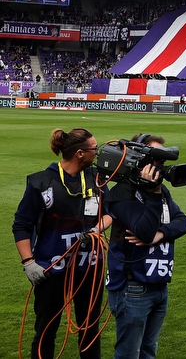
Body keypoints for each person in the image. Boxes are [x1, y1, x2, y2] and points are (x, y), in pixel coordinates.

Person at [12, 127, 112, 359]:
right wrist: (29, 262)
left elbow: (110, 212)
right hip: (51, 270)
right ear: (79, 153)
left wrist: (97, 228)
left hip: (90, 269)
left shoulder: (96, 179)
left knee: (90, 331)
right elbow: (21, 225)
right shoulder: (41, 182)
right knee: (46, 331)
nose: (97, 153)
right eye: (94, 149)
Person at [107, 134, 186, 359]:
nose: (162, 165)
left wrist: (160, 235)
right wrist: (153, 195)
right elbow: (143, 231)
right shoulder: (122, 193)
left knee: (148, 352)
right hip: (133, 288)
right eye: (157, 159)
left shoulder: (162, 191)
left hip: (158, 286)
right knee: (128, 354)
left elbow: (183, 222)